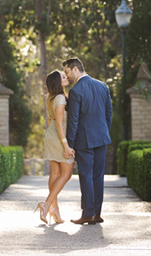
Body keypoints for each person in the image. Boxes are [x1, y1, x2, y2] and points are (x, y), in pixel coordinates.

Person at [63, 57, 113, 225]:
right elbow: (108, 114)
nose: (67, 76)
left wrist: (69, 145)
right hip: (101, 138)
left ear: (76, 69)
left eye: (67, 72)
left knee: (86, 176)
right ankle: (96, 213)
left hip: (84, 141)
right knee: (98, 176)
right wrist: (103, 132)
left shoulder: (76, 91)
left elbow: (73, 121)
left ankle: (88, 214)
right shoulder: (102, 86)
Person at [36, 70, 75, 224]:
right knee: (66, 173)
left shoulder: (50, 97)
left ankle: (55, 210)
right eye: (63, 77)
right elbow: (59, 124)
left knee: (55, 174)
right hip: (60, 138)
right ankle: (46, 205)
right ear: (57, 82)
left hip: (51, 136)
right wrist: (65, 146)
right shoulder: (60, 98)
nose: (66, 78)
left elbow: (49, 120)